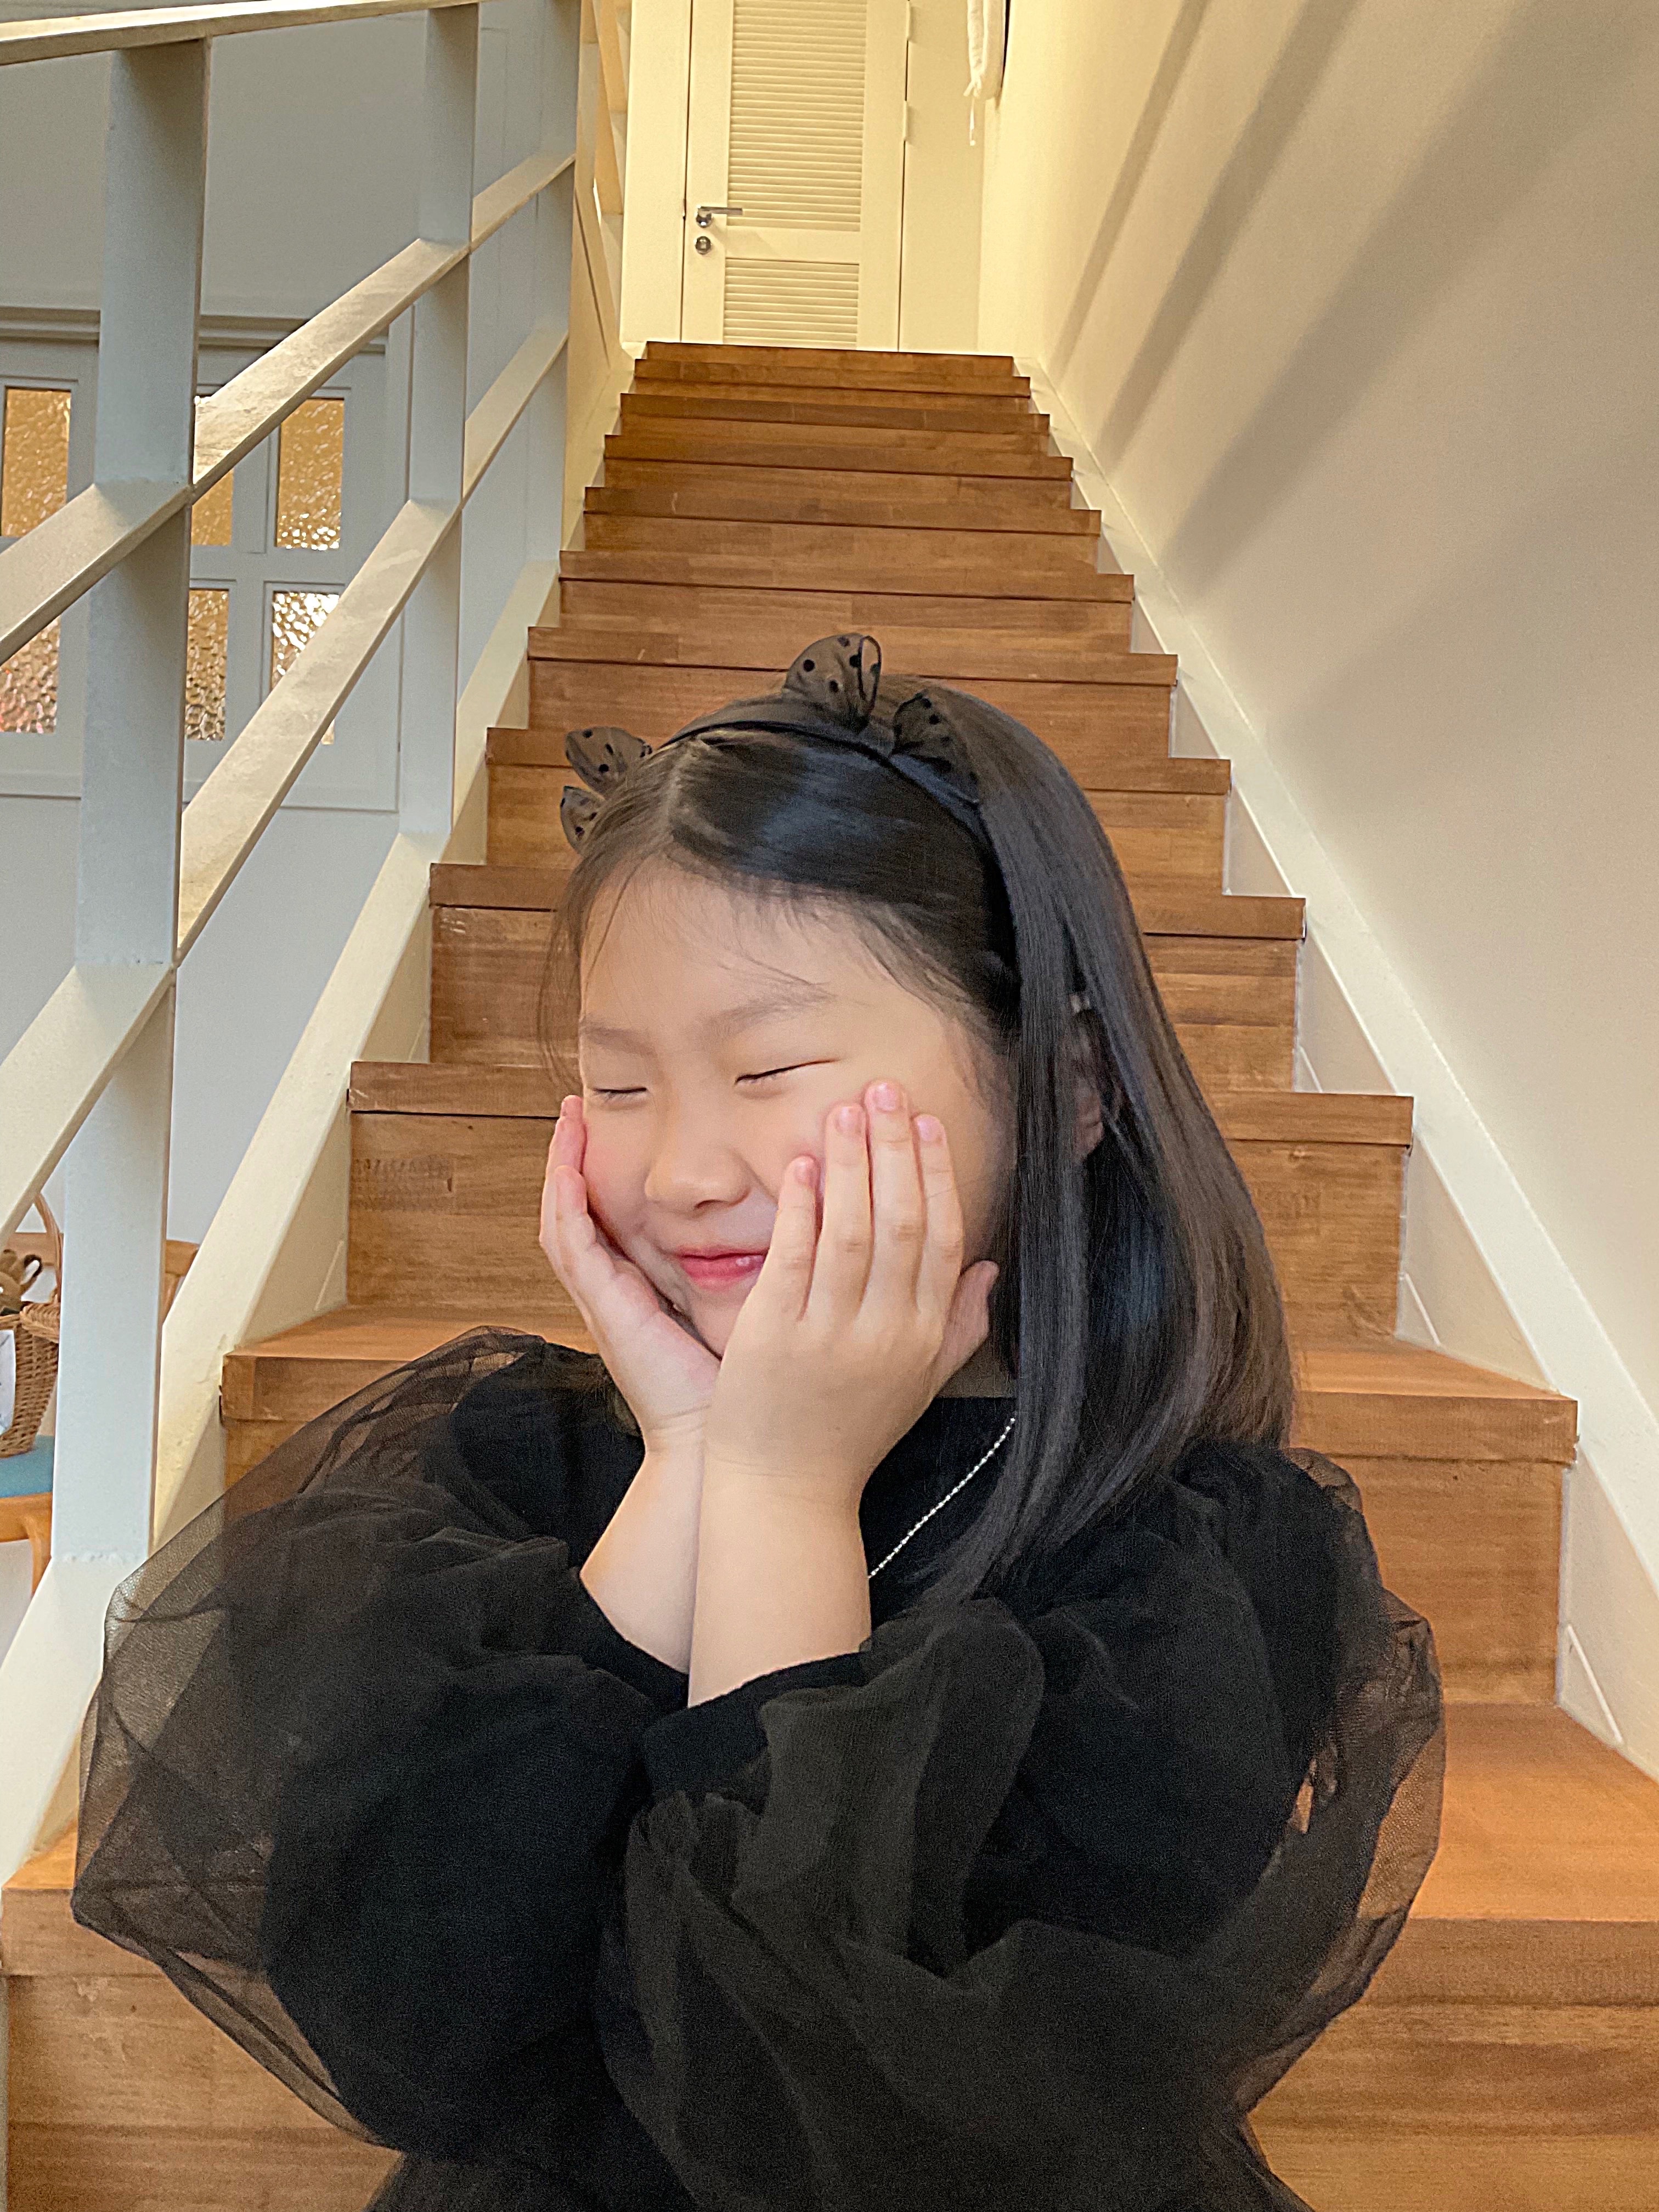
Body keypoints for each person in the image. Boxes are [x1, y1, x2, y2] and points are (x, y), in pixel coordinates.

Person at [70, 634, 1444, 2211]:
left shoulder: (1185, 1584)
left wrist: (791, 1495)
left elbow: (810, 2123)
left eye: (769, 1067)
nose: (682, 1171)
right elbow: (420, 2023)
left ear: (1065, 1091)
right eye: (620, 1086)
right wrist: (697, 1454)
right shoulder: (516, 1474)